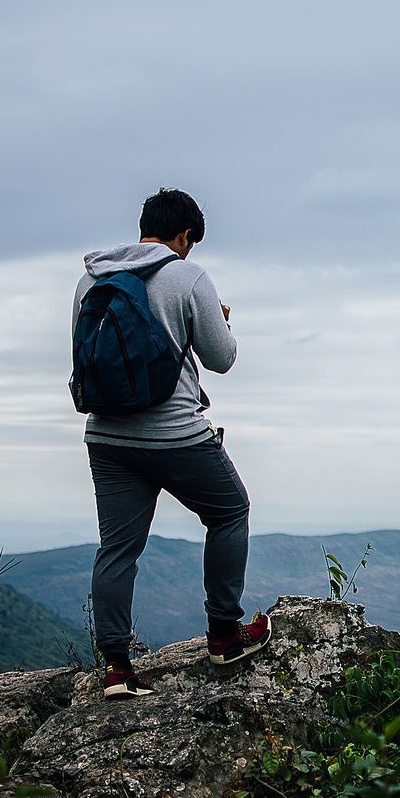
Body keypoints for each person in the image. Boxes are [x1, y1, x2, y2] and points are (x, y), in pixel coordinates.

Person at [71, 187, 270, 700]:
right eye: (191, 242)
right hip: (176, 434)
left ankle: (116, 668)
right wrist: (218, 319)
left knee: (117, 548)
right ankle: (224, 635)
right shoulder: (186, 275)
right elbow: (221, 359)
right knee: (230, 511)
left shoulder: (91, 279)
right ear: (184, 235)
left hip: (107, 436)